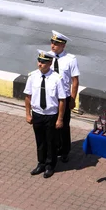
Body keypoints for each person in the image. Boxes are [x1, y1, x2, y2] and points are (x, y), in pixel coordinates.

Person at [24, 50, 66, 179]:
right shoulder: (32, 76)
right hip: (37, 113)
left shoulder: (57, 79)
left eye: (43, 62)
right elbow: (28, 96)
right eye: (39, 61)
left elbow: (62, 100)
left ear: (50, 63)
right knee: (40, 141)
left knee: (51, 141)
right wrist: (28, 114)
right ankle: (41, 163)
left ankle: (50, 165)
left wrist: (60, 118)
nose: (40, 64)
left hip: (51, 114)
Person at [49, 30, 80, 163]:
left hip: (65, 97)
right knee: (51, 124)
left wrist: (72, 99)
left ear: (63, 46)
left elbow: (75, 81)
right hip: (51, 96)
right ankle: (54, 148)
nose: (53, 46)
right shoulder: (47, 56)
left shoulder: (70, 60)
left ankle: (65, 150)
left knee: (64, 125)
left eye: (56, 44)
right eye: (52, 42)